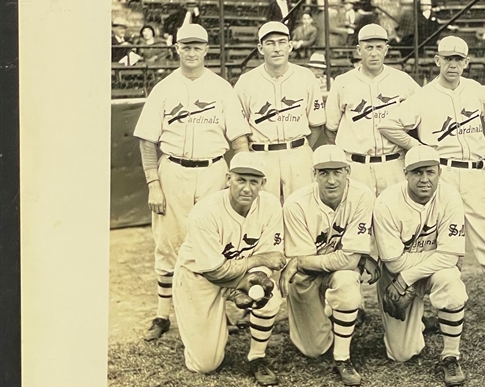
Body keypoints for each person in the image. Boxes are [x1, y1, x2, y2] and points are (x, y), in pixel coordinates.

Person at [378, 35, 485, 333]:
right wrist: (419, 148)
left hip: (474, 173)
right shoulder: (424, 95)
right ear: (437, 61)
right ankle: (443, 305)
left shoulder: (476, 90)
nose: (453, 64)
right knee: (441, 240)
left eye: (459, 59)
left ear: (466, 63)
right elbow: (388, 124)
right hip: (441, 174)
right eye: (447, 58)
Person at [133, 23, 251, 341]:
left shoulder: (221, 87)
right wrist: (153, 184)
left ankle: (219, 314)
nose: (192, 51)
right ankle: (162, 315)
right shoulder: (163, 88)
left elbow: (239, 138)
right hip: (173, 171)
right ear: (176, 49)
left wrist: (241, 177)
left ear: (207, 49)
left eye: (197, 46)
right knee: (168, 242)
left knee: (216, 243)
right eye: (186, 46)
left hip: (214, 171)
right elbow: (147, 141)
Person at [171, 152, 287, 383]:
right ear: (228, 179)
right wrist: (253, 267)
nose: (247, 188)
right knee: (205, 364)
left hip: (237, 272)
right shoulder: (205, 212)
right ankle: (216, 320)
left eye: (254, 181)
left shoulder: (271, 205)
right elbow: (214, 271)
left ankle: (257, 357)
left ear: (263, 183)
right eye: (240, 180)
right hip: (198, 276)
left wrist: (257, 280)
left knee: (269, 295)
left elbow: (271, 259)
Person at [279, 145, 379, 386]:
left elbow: (345, 261)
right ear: (314, 175)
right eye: (324, 173)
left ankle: (343, 357)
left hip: (325, 267)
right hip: (307, 276)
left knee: (346, 280)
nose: (331, 180)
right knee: (313, 349)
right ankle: (327, 314)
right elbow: (304, 265)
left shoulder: (363, 195)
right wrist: (306, 261)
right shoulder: (296, 203)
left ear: (348, 171)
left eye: (337, 172)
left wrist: (353, 258)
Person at [373, 146, 468, 386]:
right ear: (405, 173)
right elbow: (394, 263)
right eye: (417, 173)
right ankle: (420, 322)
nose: (424, 179)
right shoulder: (386, 203)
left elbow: (451, 258)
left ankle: (450, 355)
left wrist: (408, 281)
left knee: (451, 283)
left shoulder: (450, 196)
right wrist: (440, 257)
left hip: (407, 278)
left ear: (439, 172)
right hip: (395, 275)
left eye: (429, 172)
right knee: (401, 354)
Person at [233, 21, 326, 202]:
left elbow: (316, 124)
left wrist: (299, 148)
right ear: (260, 48)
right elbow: (239, 128)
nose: (277, 48)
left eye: (282, 42)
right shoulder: (246, 82)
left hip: (297, 154)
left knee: (302, 213)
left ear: (290, 46)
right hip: (261, 155)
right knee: (262, 215)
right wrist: (247, 160)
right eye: (270, 43)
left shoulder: (306, 77)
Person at [325, 23, 420, 196]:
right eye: (368, 47)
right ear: (358, 50)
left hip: (394, 164)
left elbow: (422, 117)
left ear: (386, 49)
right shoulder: (343, 82)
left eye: (379, 47)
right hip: (356, 167)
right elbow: (332, 129)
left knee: (394, 218)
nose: (374, 53)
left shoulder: (403, 80)